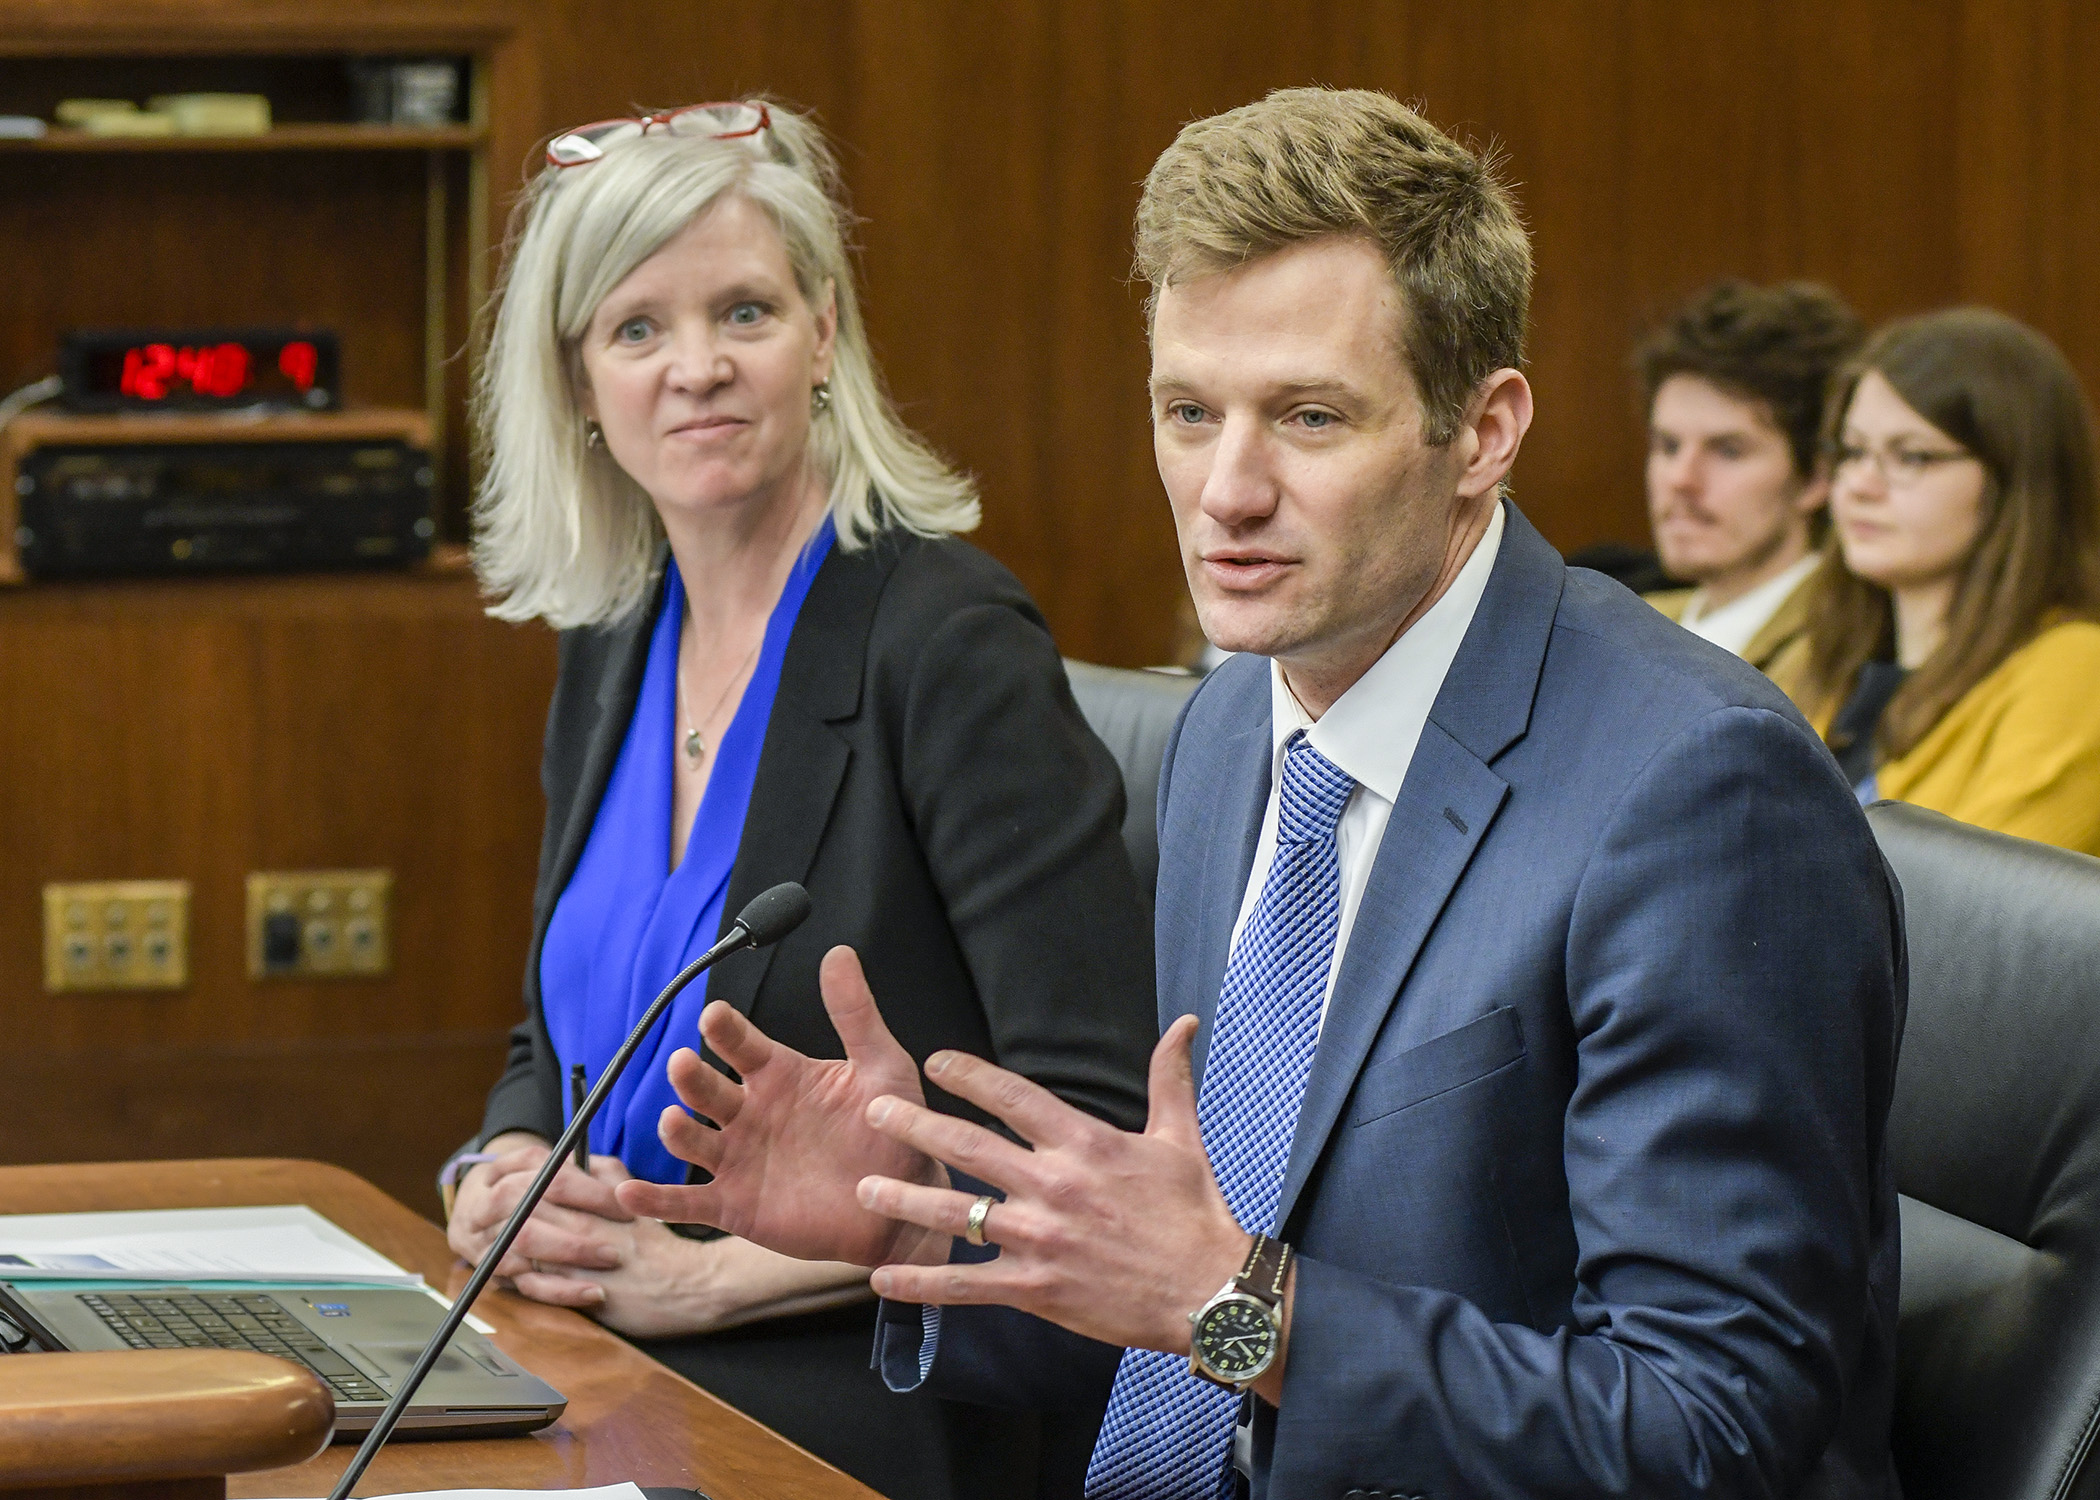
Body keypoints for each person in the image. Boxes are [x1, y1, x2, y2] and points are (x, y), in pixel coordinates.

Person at [617, 88, 1906, 1500]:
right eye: (1188, 410)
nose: (1225, 491)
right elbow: (1182, 1326)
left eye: (1307, 416)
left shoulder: (1698, 794)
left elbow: (1708, 1430)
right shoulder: (1236, 725)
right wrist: (919, 1237)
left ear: (1483, 432)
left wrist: (1237, 1301)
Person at [446, 98, 1157, 1500]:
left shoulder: (946, 644)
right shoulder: (615, 635)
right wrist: (508, 1159)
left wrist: (703, 1283)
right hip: (588, 1355)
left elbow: (1085, 1127)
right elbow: (561, 1026)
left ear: (824, 333)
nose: (697, 367)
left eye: (746, 312)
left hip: (854, 1393)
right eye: (637, 329)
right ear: (578, 384)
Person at [1794, 307, 2100, 854]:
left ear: (2015, 480)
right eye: (1853, 451)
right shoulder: (1820, 660)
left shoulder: (2076, 670)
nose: (1861, 484)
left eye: (1911, 456)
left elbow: (1976, 914)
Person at [1637, 279, 1863, 691]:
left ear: (1816, 476)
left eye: (1728, 451)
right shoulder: (1622, 628)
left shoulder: (1846, 649)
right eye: (1668, 446)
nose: (1681, 479)